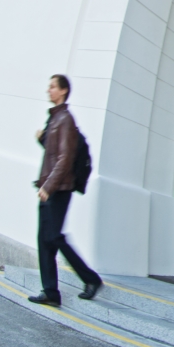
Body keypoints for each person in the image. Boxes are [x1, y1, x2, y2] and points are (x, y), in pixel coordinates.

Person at [27, 75, 103, 307]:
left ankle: (91, 279)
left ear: (63, 91)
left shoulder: (66, 120)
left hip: (59, 189)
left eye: (52, 86)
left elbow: (65, 159)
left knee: (53, 237)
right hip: (49, 187)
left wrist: (48, 187)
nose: (48, 90)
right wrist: (43, 140)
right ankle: (50, 291)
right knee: (45, 240)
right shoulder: (55, 119)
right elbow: (53, 156)